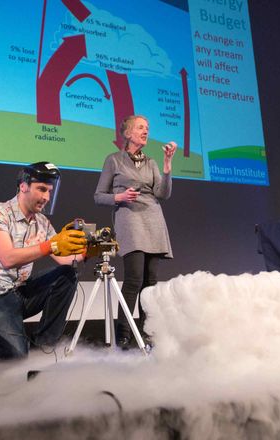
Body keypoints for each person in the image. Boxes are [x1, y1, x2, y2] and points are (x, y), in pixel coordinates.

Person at [0, 161, 88, 360]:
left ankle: (43, 345)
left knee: (68, 275)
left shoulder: (42, 222)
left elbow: (64, 260)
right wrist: (50, 245)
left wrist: (88, 251)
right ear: (23, 186)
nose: (46, 197)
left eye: (49, 191)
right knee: (17, 359)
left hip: (19, 292)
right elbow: (7, 258)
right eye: (41, 189)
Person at [94, 115, 176, 349]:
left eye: (147, 128)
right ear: (128, 133)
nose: (146, 131)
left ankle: (147, 332)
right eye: (141, 127)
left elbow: (163, 194)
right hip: (130, 219)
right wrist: (118, 197)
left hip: (153, 219)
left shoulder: (151, 163)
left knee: (150, 282)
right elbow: (98, 196)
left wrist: (168, 165)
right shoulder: (114, 160)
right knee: (134, 279)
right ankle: (124, 334)